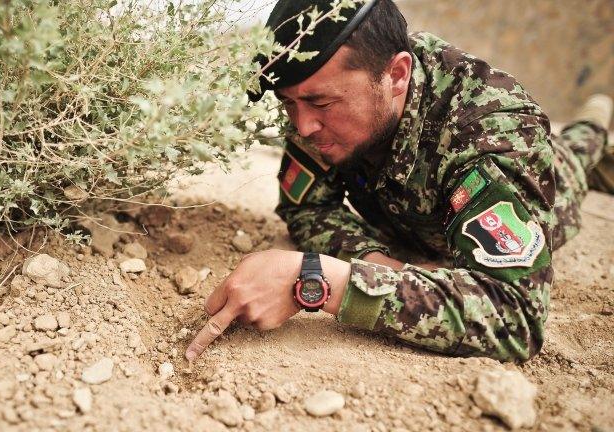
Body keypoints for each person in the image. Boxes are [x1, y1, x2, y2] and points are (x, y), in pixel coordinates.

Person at [185, 0, 612, 363]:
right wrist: (374, 260)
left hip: (553, 179)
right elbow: (308, 205)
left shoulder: (491, 130)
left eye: (320, 102)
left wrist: (321, 281)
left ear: (396, 76)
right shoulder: (322, 105)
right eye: (289, 104)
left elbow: (516, 314)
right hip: (415, 222)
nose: (304, 126)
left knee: (578, 150)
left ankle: (596, 118)